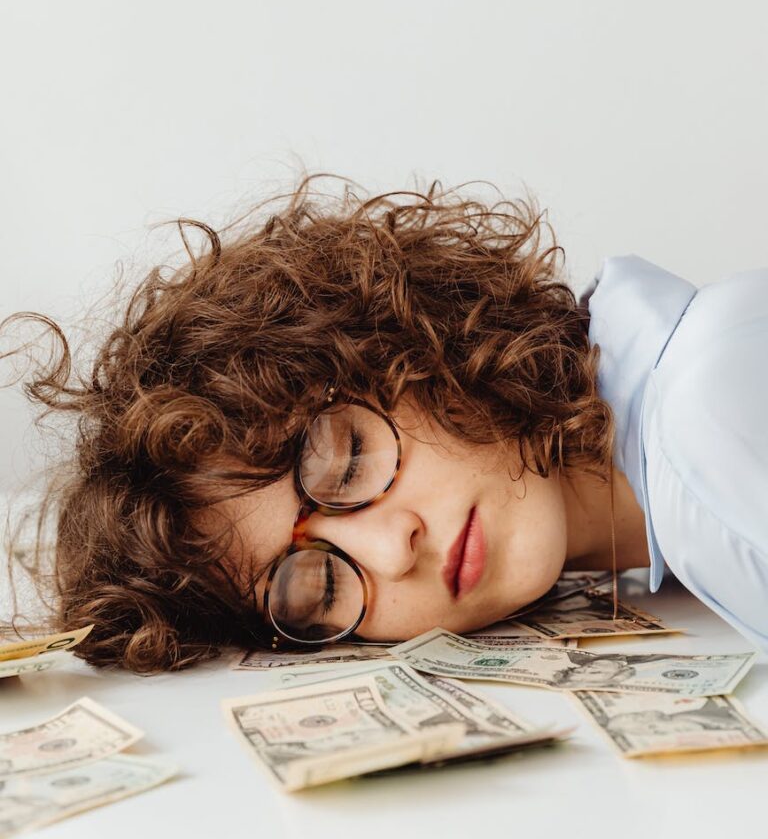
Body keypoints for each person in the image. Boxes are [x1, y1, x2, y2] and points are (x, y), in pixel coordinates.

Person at [1, 175, 765, 673]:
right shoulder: (670, 516)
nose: (389, 553)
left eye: (343, 464)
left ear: (415, 343)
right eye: (315, 589)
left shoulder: (709, 435)